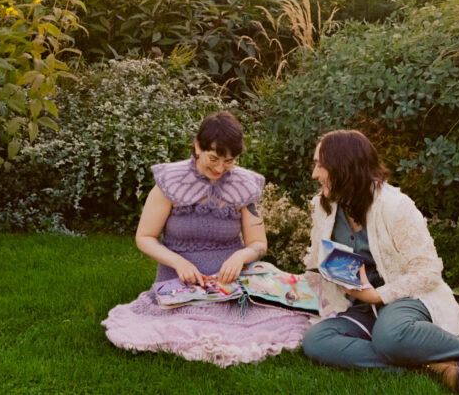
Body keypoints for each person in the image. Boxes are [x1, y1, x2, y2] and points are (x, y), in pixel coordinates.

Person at [301, 129, 459, 392]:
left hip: (407, 301)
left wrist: (376, 295)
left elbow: (428, 271)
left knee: (389, 337)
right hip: (360, 309)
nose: (314, 174)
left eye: (320, 165)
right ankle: (430, 365)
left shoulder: (395, 206)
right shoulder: (325, 205)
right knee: (316, 340)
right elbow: (322, 256)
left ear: (344, 167)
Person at [101, 111, 311, 366]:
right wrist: (178, 263)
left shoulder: (244, 186)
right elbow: (145, 237)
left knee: (259, 321)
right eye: (213, 158)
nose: (220, 168)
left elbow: (258, 243)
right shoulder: (171, 181)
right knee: (176, 325)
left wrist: (241, 255)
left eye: (229, 161)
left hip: (229, 284)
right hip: (179, 281)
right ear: (197, 147)